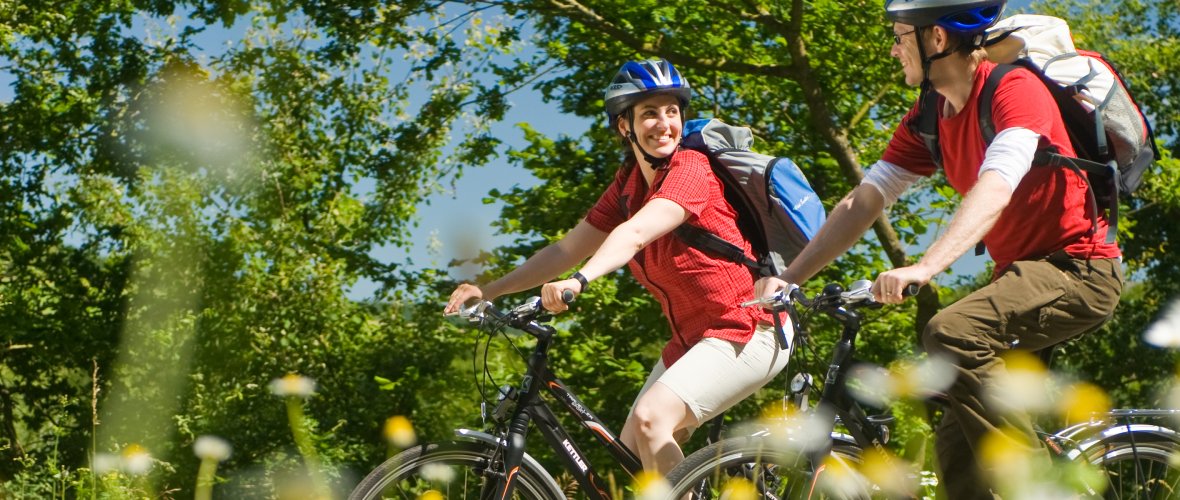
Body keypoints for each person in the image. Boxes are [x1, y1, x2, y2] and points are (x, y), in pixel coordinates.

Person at [754, 0, 1123, 497]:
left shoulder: (1014, 89)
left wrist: (925, 266)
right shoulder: (930, 115)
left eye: (901, 36)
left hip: (1079, 269)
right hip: (1019, 280)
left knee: (951, 332)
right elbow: (864, 200)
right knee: (959, 457)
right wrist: (791, 277)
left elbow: (997, 184)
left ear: (938, 39)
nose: (892, 50)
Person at [443, 59, 791, 476]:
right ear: (624, 127)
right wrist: (492, 289)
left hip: (751, 327)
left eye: (671, 111)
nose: (664, 124)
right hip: (691, 341)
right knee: (632, 455)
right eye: (649, 114)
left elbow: (636, 233)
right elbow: (565, 249)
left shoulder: (692, 169)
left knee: (651, 419)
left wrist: (579, 280)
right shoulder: (628, 186)